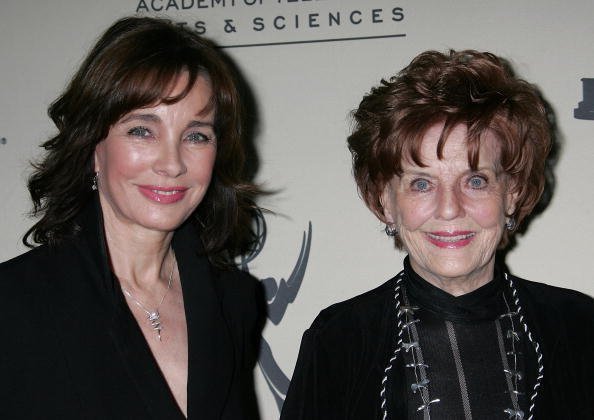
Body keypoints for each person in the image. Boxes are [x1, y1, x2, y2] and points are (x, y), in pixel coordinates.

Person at [281, 50, 594, 419]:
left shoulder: (579, 328)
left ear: (512, 194)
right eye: (421, 183)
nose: (449, 208)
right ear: (385, 200)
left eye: (476, 181)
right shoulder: (340, 340)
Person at [0, 17, 264, 419]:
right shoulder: (13, 303)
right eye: (142, 131)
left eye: (196, 136)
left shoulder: (235, 301)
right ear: (92, 144)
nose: (172, 164)